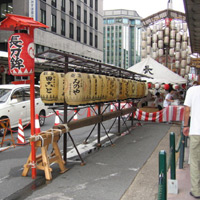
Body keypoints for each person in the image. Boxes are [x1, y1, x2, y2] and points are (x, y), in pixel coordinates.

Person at [183, 84, 200, 198]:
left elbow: (187, 109)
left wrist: (185, 125)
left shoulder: (192, 90)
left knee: (195, 162)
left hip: (196, 131)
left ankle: (196, 191)